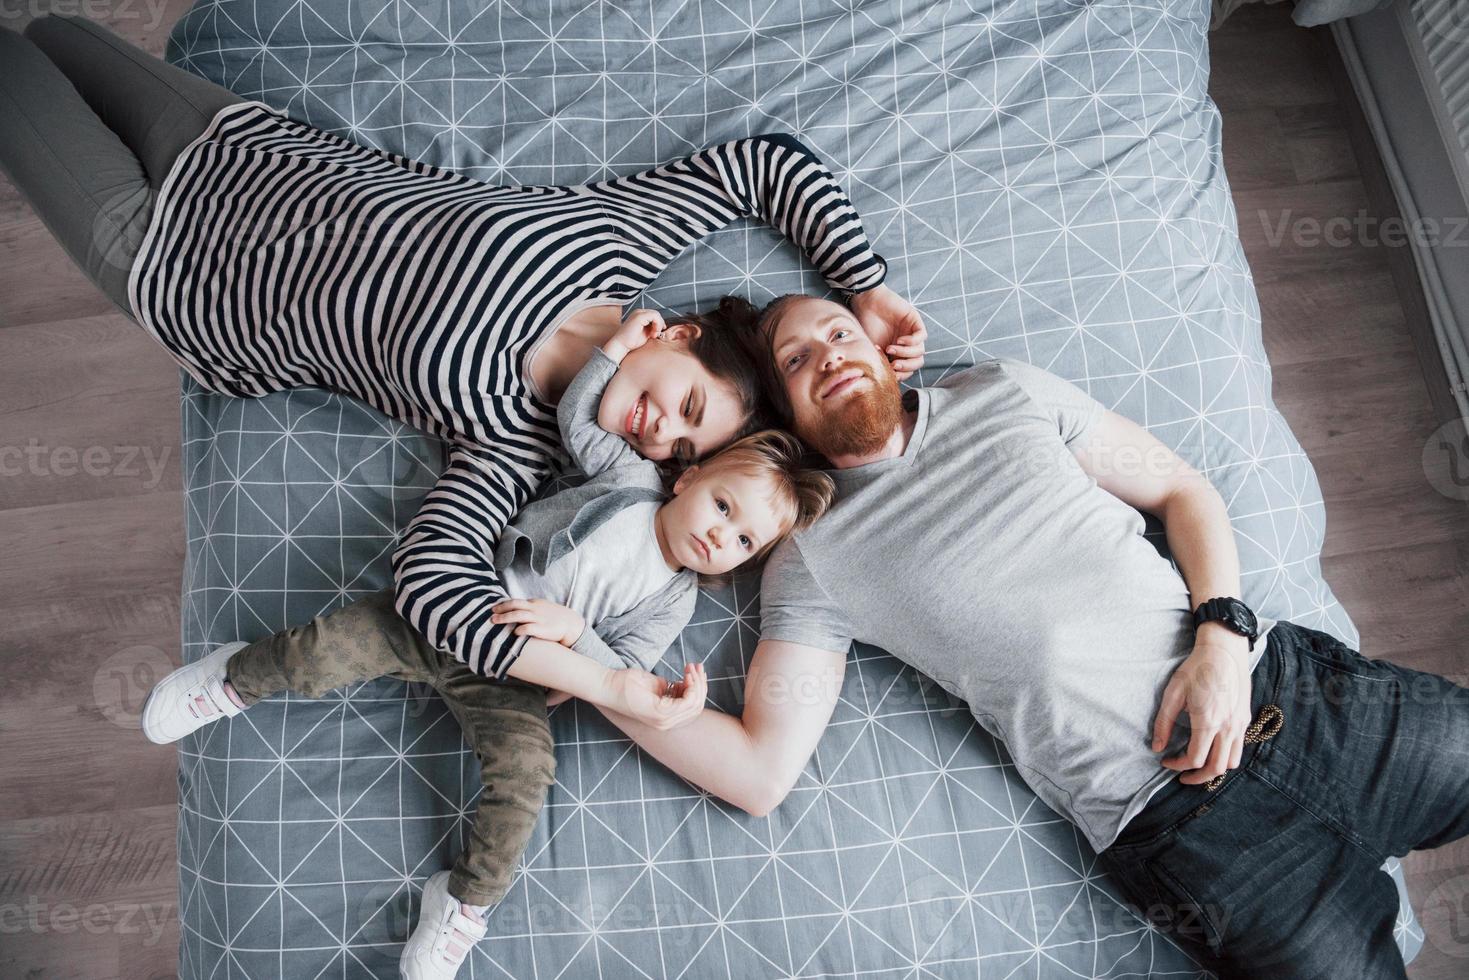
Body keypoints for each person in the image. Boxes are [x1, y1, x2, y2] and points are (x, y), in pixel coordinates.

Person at [0, 15, 926, 682]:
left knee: (13, 70)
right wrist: (866, 287)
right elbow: (766, 166)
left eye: (677, 451)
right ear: (674, 334)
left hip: (179, 271)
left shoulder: (517, 444)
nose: (656, 436)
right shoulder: (612, 241)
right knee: (59, 31)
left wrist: (587, 668)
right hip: (242, 150)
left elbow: (430, 585)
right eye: (685, 406)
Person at [583, 293, 1469, 979]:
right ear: (781, 413)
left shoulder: (1001, 389)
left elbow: (1181, 494)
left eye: (839, 332)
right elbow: (758, 773)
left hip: (1300, 697)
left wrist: (1221, 640)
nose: (831, 356)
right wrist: (596, 673)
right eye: (798, 358)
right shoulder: (811, 556)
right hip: (1193, 831)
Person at [138, 309, 836, 980]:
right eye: (721, 506)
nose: (720, 535)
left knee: (525, 778)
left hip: (512, 681)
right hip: (457, 602)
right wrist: (616, 350)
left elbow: (621, 671)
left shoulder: (671, 599)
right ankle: (231, 677)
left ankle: (463, 904)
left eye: (742, 541)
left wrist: (577, 634)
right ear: (687, 477)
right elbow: (579, 415)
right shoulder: (628, 482)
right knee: (320, 651)